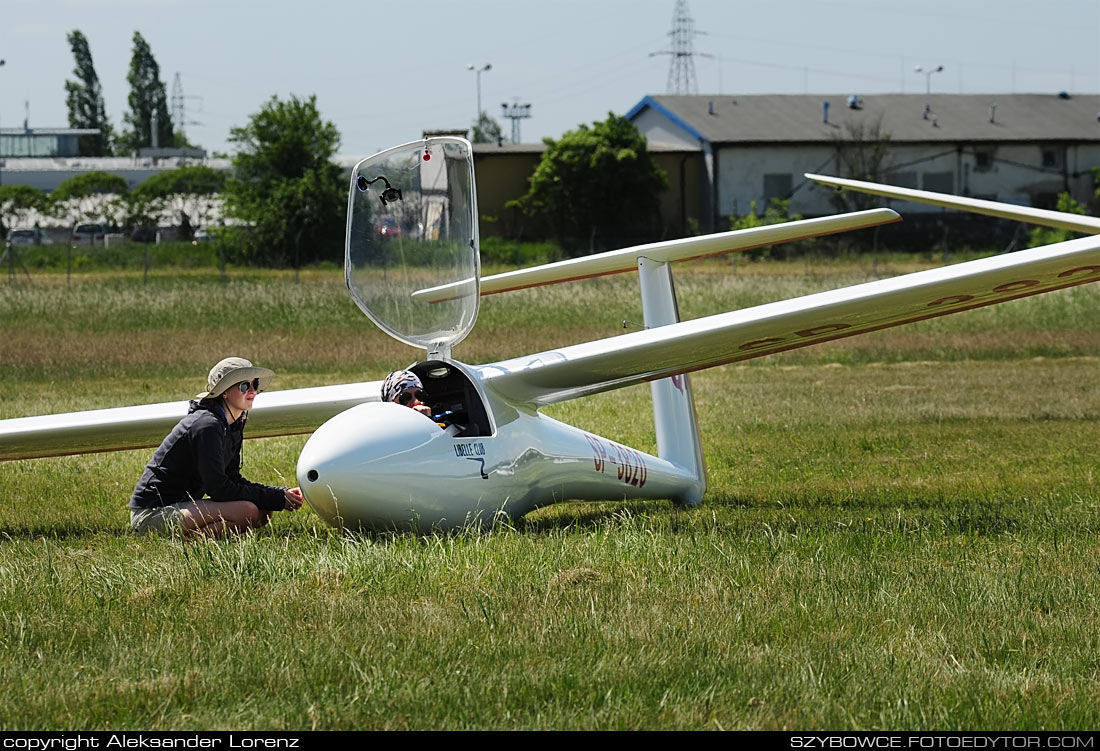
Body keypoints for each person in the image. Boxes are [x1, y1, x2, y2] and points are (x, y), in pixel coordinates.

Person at [129, 357, 304, 538]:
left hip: (183, 505)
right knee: (248, 511)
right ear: (224, 392)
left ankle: (197, 535)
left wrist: (278, 494)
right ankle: (192, 542)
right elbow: (219, 488)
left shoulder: (232, 423)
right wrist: (277, 497)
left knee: (264, 513)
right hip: (152, 513)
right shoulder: (207, 425)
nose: (252, 391)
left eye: (255, 384)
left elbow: (232, 478)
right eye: (244, 386)